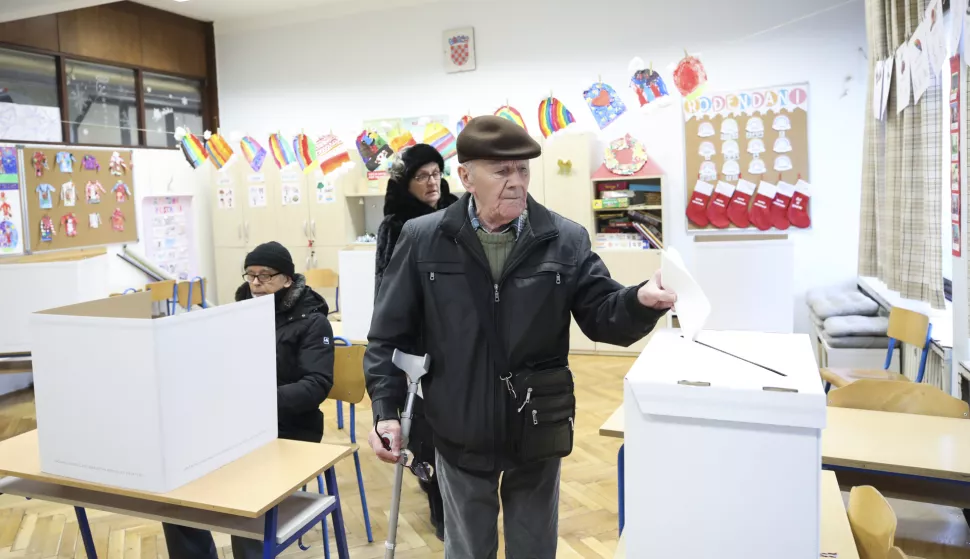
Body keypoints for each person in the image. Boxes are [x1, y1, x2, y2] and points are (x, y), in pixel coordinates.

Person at [364, 116, 677, 558]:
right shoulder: (424, 239)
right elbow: (387, 336)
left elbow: (603, 314)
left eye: (523, 170)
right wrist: (385, 409)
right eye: (501, 170)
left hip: (537, 421)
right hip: (458, 424)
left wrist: (640, 300)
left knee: (534, 549)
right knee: (468, 550)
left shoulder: (563, 239)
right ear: (467, 176)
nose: (516, 182)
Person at [162, 241, 335, 559]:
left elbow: (316, 385)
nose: (255, 283)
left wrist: (255, 400)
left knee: (247, 504)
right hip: (236, 425)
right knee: (176, 496)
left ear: (287, 279)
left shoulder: (312, 321)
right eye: (250, 275)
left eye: (265, 276)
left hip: (291, 427)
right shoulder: (235, 314)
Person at [374, 143, 458, 540]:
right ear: (405, 183)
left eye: (436, 173)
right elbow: (387, 291)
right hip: (419, 342)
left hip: (461, 334)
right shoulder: (396, 225)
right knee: (426, 431)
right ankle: (438, 503)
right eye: (421, 176)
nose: (431, 182)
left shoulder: (460, 210)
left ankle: (460, 500)